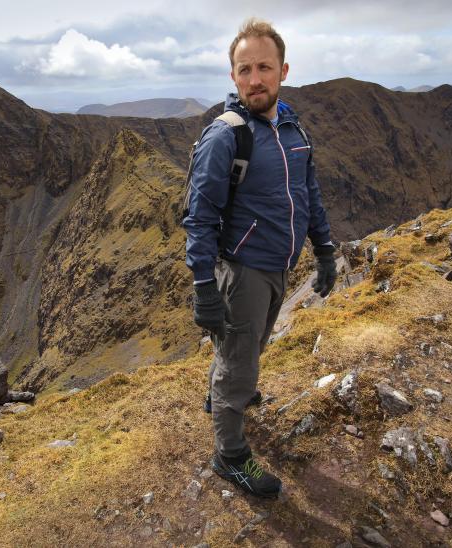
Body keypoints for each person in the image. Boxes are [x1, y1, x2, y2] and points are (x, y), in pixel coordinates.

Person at [181, 18, 336, 499]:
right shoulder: (226, 136)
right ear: (232, 76)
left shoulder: (292, 129)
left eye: (264, 67)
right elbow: (199, 216)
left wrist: (325, 249)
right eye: (244, 69)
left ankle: (218, 398)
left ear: (283, 70)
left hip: (280, 267)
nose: (254, 78)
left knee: (246, 351)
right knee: (240, 366)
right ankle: (229, 457)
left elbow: (307, 193)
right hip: (243, 270)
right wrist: (204, 287)